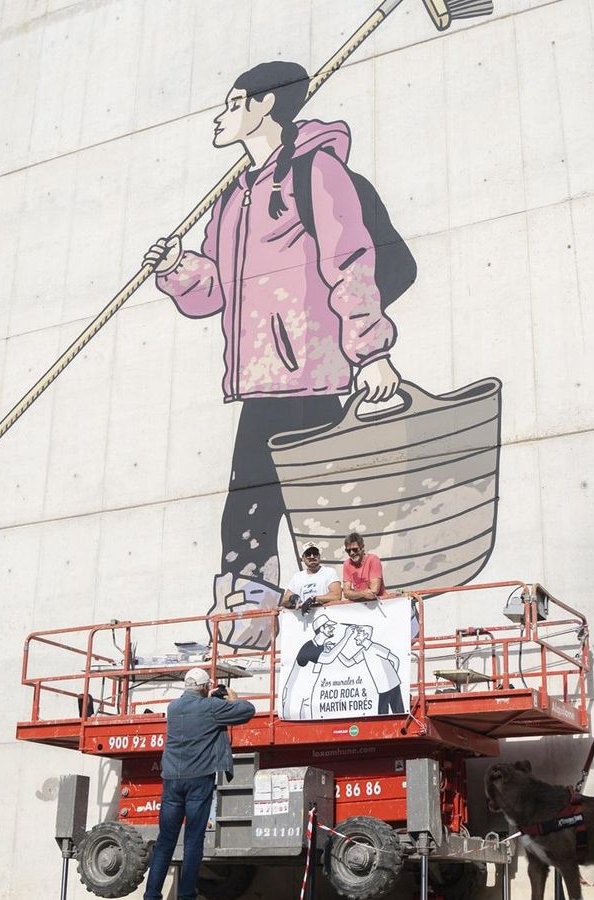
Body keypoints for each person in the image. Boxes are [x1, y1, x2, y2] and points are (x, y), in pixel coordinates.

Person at [144, 60, 402, 649]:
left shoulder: (317, 171)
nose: (221, 114)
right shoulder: (231, 199)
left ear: (264, 106)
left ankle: (357, 628)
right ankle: (244, 638)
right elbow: (214, 292)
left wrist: (371, 353)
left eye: (233, 103)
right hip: (261, 387)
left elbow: (351, 261)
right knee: (247, 523)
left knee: (330, 519)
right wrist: (177, 270)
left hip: (313, 382)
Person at [143, 668, 257, 900]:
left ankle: (152, 894)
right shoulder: (212, 708)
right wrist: (232, 698)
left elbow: (199, 711)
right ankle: (186, 895)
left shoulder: (173, 708)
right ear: (205, 687)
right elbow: (247, 711)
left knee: (166, 841)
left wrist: (210, 696)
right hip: (199, 781)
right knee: (193, 840)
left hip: (172, 780)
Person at [282, 545, 340, 610]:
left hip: (324, 616)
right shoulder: (297, 576)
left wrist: (314, 599)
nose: (312, 557)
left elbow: (336, 596)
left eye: (315, 554)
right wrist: (292, 598)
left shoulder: (329, 572)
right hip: (302, 618)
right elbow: (284, 601)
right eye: (308, 554)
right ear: (303, 558)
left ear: (319, 556)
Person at [339, 532, 385, 601]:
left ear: (362, 547)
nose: (352, 553)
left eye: (355, 549)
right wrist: (363, 593)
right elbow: (346, 593)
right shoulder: (347, 564)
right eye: (348, 551)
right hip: (360, 605)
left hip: (378, 603)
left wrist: (353, 594)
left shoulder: (373, 559)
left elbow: (374, 592)